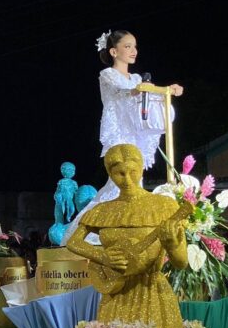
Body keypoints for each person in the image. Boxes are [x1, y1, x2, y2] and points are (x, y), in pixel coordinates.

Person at [61, 30, 184, 244]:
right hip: (119, 137)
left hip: (136, 136)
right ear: (113, 51)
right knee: (118, 184)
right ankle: (90, 234)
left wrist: (169, 90)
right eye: (127, 46)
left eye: (134, 46)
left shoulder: (137, 78)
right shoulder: (107, 75)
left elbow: (150, 92)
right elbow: (122, 92)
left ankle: (127, 232)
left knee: (135, 185)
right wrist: (138, 91)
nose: (133, 51)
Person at [65, 144, 189, 328]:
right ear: (110, 173)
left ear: (142, 168)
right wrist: (102, 256)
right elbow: (73, 242)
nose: (127, 179)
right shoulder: (102, 210)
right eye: (120, 174)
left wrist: (172, 245)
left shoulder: (165, 205)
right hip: (115, 293)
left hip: (152, 293)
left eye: (133, 171)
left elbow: (181, 262)